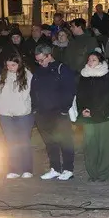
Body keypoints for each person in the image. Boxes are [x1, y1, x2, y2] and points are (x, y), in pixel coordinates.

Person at [32, 44, 79, 181]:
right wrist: (35, 108)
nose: (40, 63)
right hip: (42, 113)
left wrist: (64, 109)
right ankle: (55, 168)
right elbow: (33, 90)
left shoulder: (62, 69)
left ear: (49, 56)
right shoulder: (39, 71)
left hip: (59, 113)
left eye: (42, 60)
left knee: (65, 141)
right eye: (37, 61)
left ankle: (68, 169)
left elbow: (70, 90)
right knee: (50, 142)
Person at [0, 53, 33, 176]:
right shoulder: (3, 76)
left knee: (24, 141)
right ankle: (13, 169)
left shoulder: (27, 75)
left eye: (13, 65)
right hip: (6, 114)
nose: (10, 68)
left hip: (22, 114)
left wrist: (25, 105)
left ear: (19, 64)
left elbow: (30, 93)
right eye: (8, 65)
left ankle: (27, 169)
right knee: (11, 142)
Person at [77, 51, 109, 182]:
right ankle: (92, 173)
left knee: (104, 146)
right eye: (89, 59)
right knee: (90, 146)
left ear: (100, 61)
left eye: (94, 59)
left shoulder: (106, 77)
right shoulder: (83, 76)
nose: (90, 61)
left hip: (103, 116)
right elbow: (80, 95)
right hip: (87, 117)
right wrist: (83, 109)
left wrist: (93, 111)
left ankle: (104, 173)